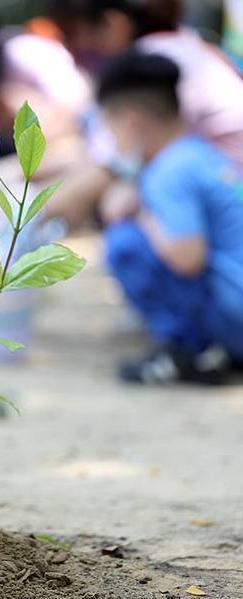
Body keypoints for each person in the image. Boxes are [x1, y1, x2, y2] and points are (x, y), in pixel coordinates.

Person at [98, 50, 243, 385]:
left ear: (131, 121)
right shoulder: (199, 153)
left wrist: (139, 210)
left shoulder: (168, 172)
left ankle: (195, 351)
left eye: (110, 127)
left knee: (125, 242)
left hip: (236, 318)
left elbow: (188, 257)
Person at [43, 0, 243, 227]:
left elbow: (107, 164)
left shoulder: (146, 66)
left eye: (73, 33)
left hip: (229, 204)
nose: (72, 47)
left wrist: (23, 218)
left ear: (114, 23)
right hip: (224, 193)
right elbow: (88, 150)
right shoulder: (182, 43)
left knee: (123, 221)